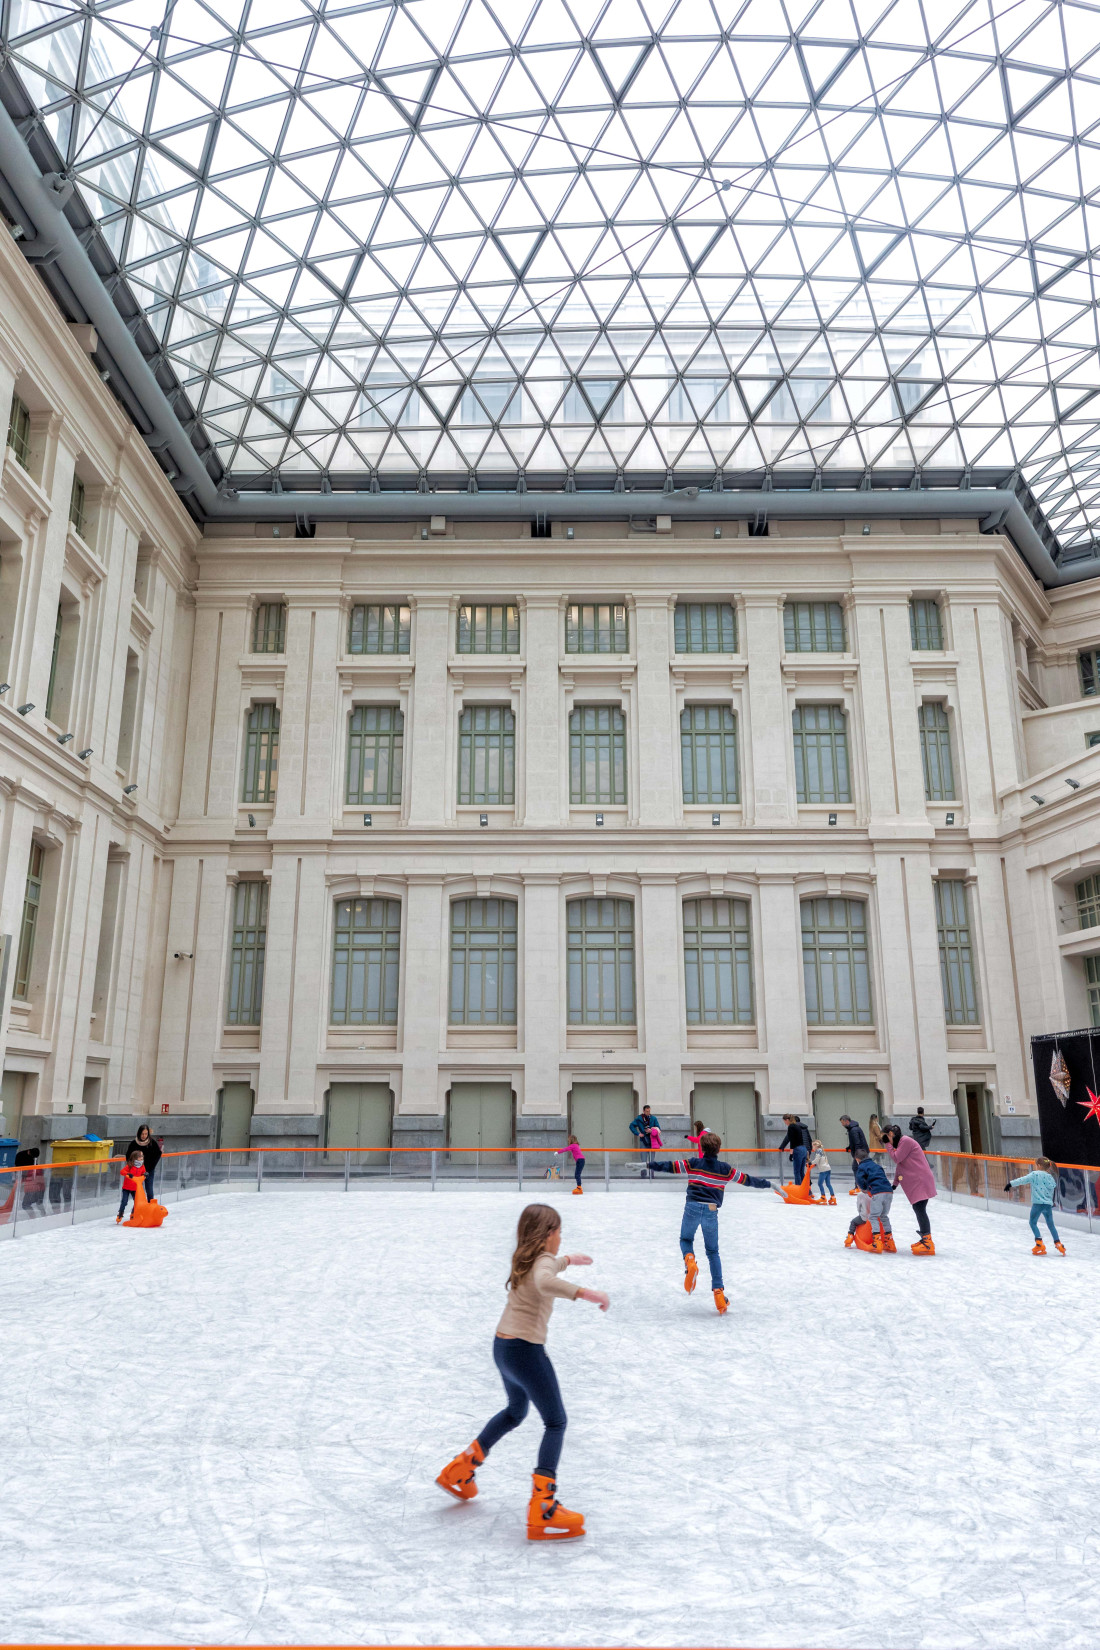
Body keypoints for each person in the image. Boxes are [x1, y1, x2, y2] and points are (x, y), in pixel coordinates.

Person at [435, 1203, 608, 1540]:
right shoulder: (541, 1263)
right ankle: (543, 1506)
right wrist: (587, 1293)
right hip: (526, 1351)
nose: (560, 1238)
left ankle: (460, 1469)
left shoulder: (525, 1257)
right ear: (547, 1235)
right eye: (558, 1232)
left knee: (516, 1411)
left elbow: (547, 1266)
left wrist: (569, 1259)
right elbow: (546, 1280)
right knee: (556, 1421)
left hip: (503, 1348)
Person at [650, 1131, 771, 1314]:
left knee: (686, 1240)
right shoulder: (725, 1169)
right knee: (713, 1252)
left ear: (702, 1147)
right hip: (711, 1211)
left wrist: (648, 1164)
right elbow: (748, 1180)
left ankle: (690, 1260)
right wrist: (769, 1184)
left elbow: (669, 1166)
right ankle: (719, 1294)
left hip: (691, 1207)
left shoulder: (693, 1163)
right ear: (718, 1149)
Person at [883, 1124, 937, 1254]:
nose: (885, 1141)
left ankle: (927, 1242)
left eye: (885, 1137)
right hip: (916, 1181)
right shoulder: (901, 1144)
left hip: (920, 1180)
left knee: (920, 1208)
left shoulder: (905, 1141)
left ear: (890, 1134)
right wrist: (895, 1184)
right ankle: (925, 1239)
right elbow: (900, 1165)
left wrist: (887, 1145)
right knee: (918, 1208)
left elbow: (896, 1159)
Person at [1007, 1157, 1064, 1255]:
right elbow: (1053, 1186)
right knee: (1051, 1225)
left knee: (1032, 1222)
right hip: (1047, 1205)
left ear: (1039, 1165)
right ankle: (1058, 1243)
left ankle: (1039, 1243)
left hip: (1037, 1204)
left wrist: (1010, 1184)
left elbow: (1022, 1180)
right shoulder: (1050, 1176)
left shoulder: (1034, 1174)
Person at [845, 1147, 894, 1252]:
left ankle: (877, 1241)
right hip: (888, 1192)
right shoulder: (877, 1165)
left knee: (873, 1217)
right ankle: (890, 1242)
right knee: (884, 1216)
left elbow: (859, 1179)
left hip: (878, 1192)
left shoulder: (862, 1167)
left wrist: (865, 1188)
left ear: (857, 1160)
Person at [126, 1124, 163, 1202]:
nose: (144, 1136)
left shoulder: (152, 1142)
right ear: (139, 1133)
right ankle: (138, 1206)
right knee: (137, 1190)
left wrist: (150, 1168)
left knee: (149, 1189)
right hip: (136, 1171)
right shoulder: (134, 1143)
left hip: (148, 1171)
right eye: (142, 1134)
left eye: (146, 1134)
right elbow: (128, 1156)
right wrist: (132, 1166)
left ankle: (151, 1205)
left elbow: (158, 1154)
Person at [778, 1114, 812, 1185]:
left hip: (798, 1150)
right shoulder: (798, 1127)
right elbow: (807, 1139)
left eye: (784, 1122)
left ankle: (799, 1189)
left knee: (797, 1172)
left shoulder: (791, 1127)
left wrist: (791, 1153)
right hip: (804, 1149)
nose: (785, 1123)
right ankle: (806, 1190)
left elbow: (792, 1141)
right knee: (801, 1172)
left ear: (787, 1120)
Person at [116, 1148, 145, 1225]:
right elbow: (122, 1171)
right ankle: (120, 1213)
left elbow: (144, 1173)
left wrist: (145, 1174)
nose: (141, 1158)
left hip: (136, 1188)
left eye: (142, 1156)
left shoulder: (142, 1166)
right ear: (135, 1158)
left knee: (137, 1202)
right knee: (124, 1202)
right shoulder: (130, 1165)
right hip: (126, 1188)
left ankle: (133, 1213)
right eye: (140, 1156)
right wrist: (128, 1174)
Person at [15, 1148, 45, 1217]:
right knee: (38, 1203)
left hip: (33, 1187)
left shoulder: (33, 1169)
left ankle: (34, 1217)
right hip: (38, 1186)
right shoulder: (21, 1156)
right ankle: (43, 1216)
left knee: (26, 1204)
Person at [630, 1105, 659, 1171]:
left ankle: (651, 1174)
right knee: (643, 1158)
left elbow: (658, 1128)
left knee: (652, 1159)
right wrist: (638, 1133)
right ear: (643, 1111)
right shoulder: (639, 1118)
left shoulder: (653, 1118)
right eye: (646, 1111)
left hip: (652, 1140)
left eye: (649, 1111)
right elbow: (631, 1126)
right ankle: (643, 1173)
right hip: (643, 1140)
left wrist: (651, 1131)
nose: (648, 1113)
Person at [810, 1138, 835, 1204]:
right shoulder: (822, 1151)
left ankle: (823, 1197)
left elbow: (816, 1160)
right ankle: (833, 1197)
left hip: (823, 1170)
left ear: (816, 1146)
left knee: (820, 1183)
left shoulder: (818, 1152)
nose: (812, 1147)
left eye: (813, 1146)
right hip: (828, 1169)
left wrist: (810, 1163)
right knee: (828, 1184)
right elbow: (821, 1160)